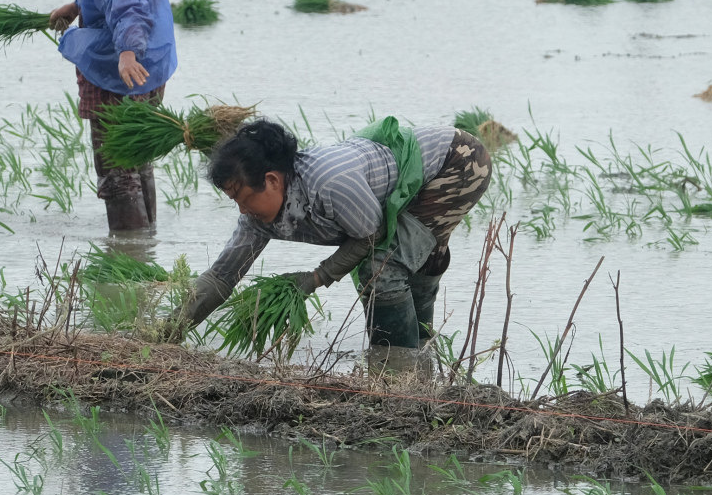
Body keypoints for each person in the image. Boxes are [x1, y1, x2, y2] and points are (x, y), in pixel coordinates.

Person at [178, 118, 493, 353]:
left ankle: (398, 369)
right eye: (235, 202)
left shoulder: (329, 181)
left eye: (244, 198)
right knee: (412, 257)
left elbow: (372, 234)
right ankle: (422, 355)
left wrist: (316, 277)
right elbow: (222, 275)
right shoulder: (257, 217)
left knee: (380, 270)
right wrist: (166, 332)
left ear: (272, 180)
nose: (242, 211)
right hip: (415, 178)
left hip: (457, 162)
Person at [47, 0, 177, 233]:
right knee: (138, 155)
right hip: (152, 64)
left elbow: (128, 7)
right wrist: (76, 6)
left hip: (122, 71)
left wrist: (127, 53)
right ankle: (146, 240)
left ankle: (128, 250)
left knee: (117, 168)